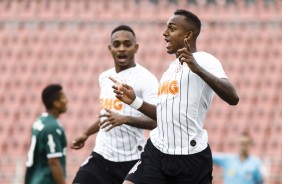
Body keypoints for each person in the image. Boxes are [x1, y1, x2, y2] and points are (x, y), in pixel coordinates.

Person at [111, 9, 239, 184]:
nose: (165, 33)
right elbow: (163, 116)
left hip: (191, 158)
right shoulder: (170, 69)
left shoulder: (205, 60)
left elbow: (233, 97)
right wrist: (135, 101)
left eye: (171, 29)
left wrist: (198, 69)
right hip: (157, 152)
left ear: (187, 35)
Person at [71, 25, 158, 184]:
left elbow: (158, 121)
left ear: (136, 47)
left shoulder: (147, 79)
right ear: (110, 48)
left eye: (127, 44)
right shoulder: (105, 77)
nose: (122, 48)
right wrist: (86, 133)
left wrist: (125, 119)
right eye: (116, 44)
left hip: (131, 160)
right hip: (101, 156)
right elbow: (108, 114)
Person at [25, 84, 68, 184]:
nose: (66, 101)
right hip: (45, 180)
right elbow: (53, 161)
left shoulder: (40, 121)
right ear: (56, 103)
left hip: (34, 177)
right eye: (63, 98)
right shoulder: (52, 127)